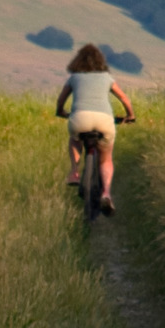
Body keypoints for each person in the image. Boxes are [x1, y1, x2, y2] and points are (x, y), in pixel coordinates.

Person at [55, 43, 134, 215]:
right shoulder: (107, 78)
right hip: (104, 121)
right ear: (101, 62)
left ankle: (74, 173)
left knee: (75, 139)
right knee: (106, 158)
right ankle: (106, 193)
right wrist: (130, 116)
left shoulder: (74, 78)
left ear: (77, 62)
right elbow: (124, 99)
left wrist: (61, 112)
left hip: (80, 119)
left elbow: (61, 100)